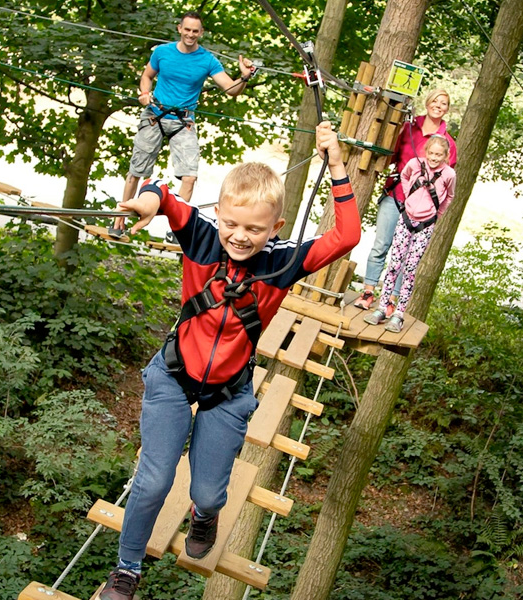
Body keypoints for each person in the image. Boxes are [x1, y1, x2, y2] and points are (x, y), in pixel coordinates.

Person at [98, 122, 361, 600]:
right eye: (231, 224)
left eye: (254, 229)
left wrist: (338, 165)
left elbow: (347, 235)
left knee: (208, 492)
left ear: (276, 228)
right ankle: (127, 568)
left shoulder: (284, 261)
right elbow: (163, 192)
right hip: (174, 375)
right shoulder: (201, 237)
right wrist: (148, 201)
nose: (239, 237)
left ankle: (204, 515)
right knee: (153, 481)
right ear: (217, 213)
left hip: (228, 391)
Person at [110, 11, 255, 238]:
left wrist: (244, 77)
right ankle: (119, 220)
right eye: (187, 29)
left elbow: (231, 90)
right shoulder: (162, 52)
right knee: (136, 172)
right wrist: (145, 93)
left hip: (183, 121)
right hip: (155, 115)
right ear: (179, 29)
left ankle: (176, 230)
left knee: (190, 177)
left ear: (201, 33)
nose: (190, 34)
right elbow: (146, 76)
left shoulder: (207, 60)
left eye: (195, 31)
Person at [353, 88, 457, 312]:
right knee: (381, 244)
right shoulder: (409, 127)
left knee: (406, 255)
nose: (438, 106)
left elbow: (446, 182)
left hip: (421, 207)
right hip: (396, 194)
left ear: (447, 109)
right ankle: (368, 292)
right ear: (427, 103)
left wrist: (435, 212)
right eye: (435, 101)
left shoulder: (447, 143)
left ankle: (390, 301)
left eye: (443, 103)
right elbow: (391, 154)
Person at [363, 135, 456, 332]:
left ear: (445, 155)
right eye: (431, 153)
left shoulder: (449, 174)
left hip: (425, 224)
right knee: (394, 265)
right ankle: (382, 307)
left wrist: (437, 213)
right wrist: (408, 198)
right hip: (406, 219)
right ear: (426, 151)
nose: (434, 158)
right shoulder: (415, 164)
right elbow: (404, 177)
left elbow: (450, 195)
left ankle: (399, 313)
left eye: (439, 155)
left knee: (410, 268)